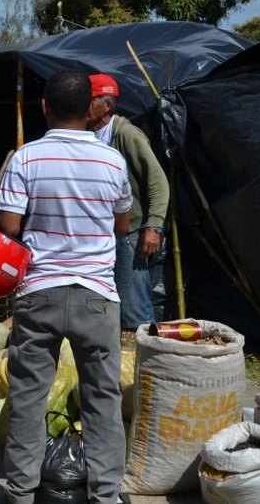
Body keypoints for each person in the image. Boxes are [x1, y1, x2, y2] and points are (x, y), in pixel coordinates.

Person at [0, 70, 132, 504]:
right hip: (97, 298)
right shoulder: (113, 160)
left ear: (45, 107)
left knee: (29, 396)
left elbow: (10, 225)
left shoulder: (26, 158)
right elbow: (123, 223)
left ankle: (20, 493)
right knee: (103, 400)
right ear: (91, 109)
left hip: (40, 293)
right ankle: (106, 495)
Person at [87, 74, 170, 332]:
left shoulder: (126, 135)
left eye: (88, 101)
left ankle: (145, 360)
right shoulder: (87, 136)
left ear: (107, 105)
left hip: (130, 232)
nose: (82, 106)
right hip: (104, 232)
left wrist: (154, 226)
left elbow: (158, 182)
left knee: (135, 311)